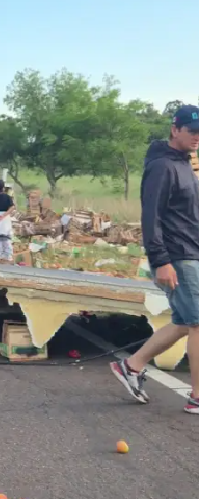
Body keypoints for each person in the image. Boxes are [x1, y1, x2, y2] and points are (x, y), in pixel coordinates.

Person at [111, 104, 199, 414]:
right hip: (176, 256)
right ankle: (197, 397)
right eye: (192, 131)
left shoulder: (185, 164)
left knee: (183, 322)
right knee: (198, 322)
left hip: (191, 252)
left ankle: (131, 366)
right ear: (175, 129)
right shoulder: (162, 166)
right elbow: (151, 217)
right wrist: (160, 260)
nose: (197, 137)